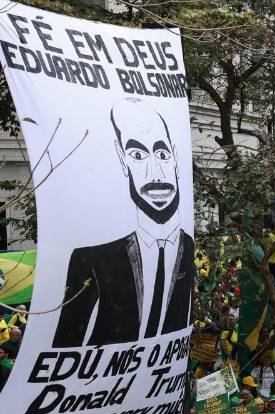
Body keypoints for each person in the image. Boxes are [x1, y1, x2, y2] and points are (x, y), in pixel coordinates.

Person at [54, 99, 195, 347]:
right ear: (122, 159)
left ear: (174, 156)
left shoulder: (188, 247)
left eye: (162, 154)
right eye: (138, 155)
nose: (156, 174)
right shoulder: (92, 261)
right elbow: (65, 347)